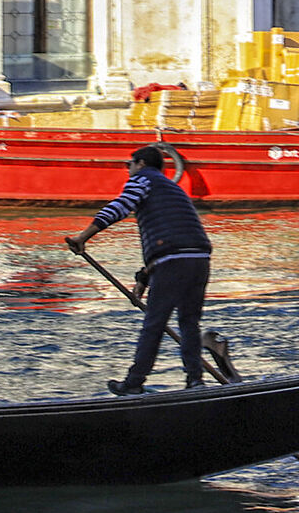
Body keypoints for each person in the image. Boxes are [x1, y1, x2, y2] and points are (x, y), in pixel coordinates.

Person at [67, 146, 213, 394]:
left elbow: (120, 207)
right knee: (189, 323)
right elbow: (171, 237)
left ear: (141, 164)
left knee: (154, 324)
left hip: (173, 261)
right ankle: (195, 380)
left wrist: (84, 237)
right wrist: (143, 280)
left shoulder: (142, 180)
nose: (128, 169)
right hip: (199, 259)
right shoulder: (173, 189)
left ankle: (134, 383)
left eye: (129, 164)